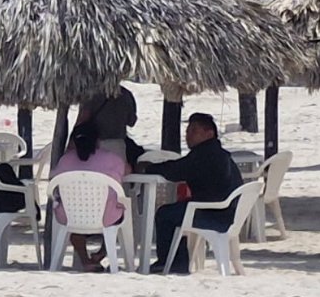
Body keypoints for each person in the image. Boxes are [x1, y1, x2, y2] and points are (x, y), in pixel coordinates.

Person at [146, 112, 243, 275]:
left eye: (193, 131)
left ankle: (172, 263)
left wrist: (148, 168)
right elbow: (181, 167)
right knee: (176, 211)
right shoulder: (218, 153)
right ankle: (177, 261)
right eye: (187, 131)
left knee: (165, 214)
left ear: (209, 133)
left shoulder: (205, 155)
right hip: (228, 213)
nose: (188, 135)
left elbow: (175, 170)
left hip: (215, 215)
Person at [50, 120, 130, 272]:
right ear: (98, 141)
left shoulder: (65, 160)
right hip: (106, 216)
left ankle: (85, 260)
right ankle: (101, 253)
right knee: (123, 213)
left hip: (71, 216)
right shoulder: (111, 159)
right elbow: (127, 170)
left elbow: (54, 180)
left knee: (72, 224)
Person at [75, 86, 137, 163]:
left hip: (96, 144)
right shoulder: (126, 94)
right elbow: (131, 122)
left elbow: (83, 118)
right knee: (116, 171)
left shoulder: (92, 94)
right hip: (118, 143)